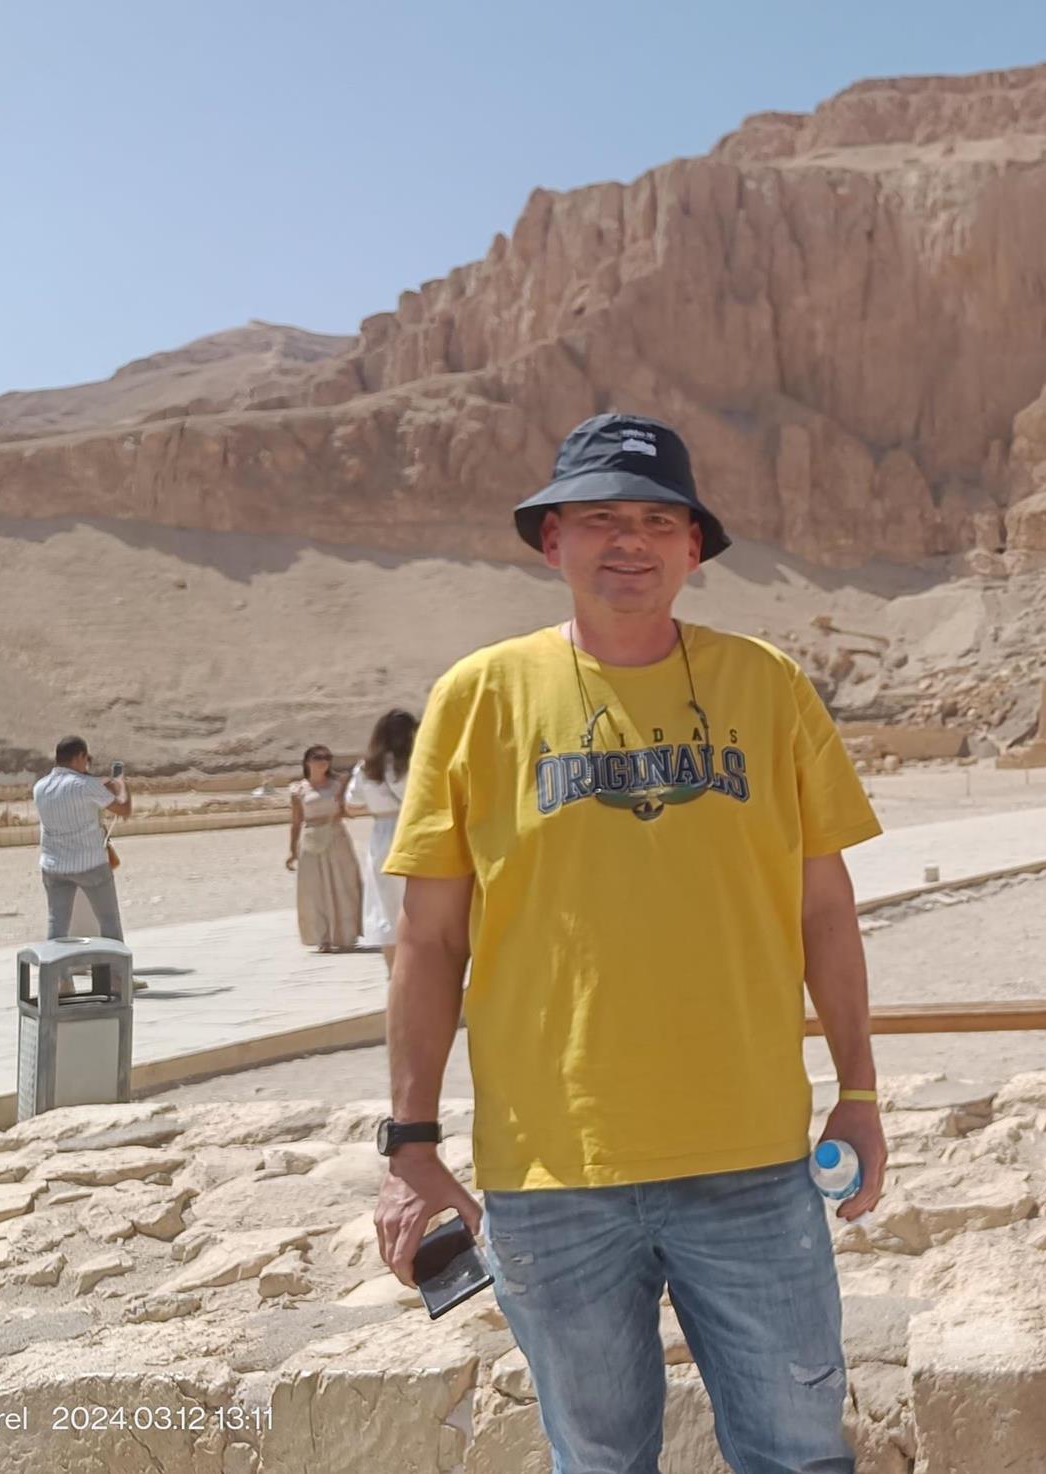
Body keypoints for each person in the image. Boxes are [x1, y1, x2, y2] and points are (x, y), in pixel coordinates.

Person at [371, 412, 887, 1474]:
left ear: (694, 547)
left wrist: (860, 1091)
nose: (630, 542)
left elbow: (825, 911)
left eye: (657, 520)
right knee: (599, 1462)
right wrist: (410, 1146)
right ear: (551, 539)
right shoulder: (477, 699)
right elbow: (427, 941)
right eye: (601, 517)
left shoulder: (768, 686)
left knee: (798, 1454)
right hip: (553, 1173)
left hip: (752, 1164)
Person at [33, 737, 131, 941]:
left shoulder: (40, 787)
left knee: (57, 922)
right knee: (108, 920)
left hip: (53, 865)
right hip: (90, 864)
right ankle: (114, 962)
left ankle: (55, 961)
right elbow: (123, 809)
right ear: (79, 756)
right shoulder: (85, 785)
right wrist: (121, 784)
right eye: (86, 759)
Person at [346, 709, 418, 967]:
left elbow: (351, 805)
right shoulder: (416, 763)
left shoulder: (366, 768)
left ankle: (393, 972)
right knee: (416, 902)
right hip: (413, 830)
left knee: (386, 904)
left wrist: (378, 807)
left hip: (382, 833)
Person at [287, 745, 363, 954]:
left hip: (336, 836)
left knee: (343, 885)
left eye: (327, 758)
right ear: (307, 762)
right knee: (315, 889)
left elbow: (349, 810)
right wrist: (292, 851)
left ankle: (346, 934)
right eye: (318, 757)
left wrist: (344, 807)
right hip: (311, 839)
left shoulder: (338, 785)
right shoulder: (298, 790)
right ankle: (323, 937)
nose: (323, 762)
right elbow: (296, 822)